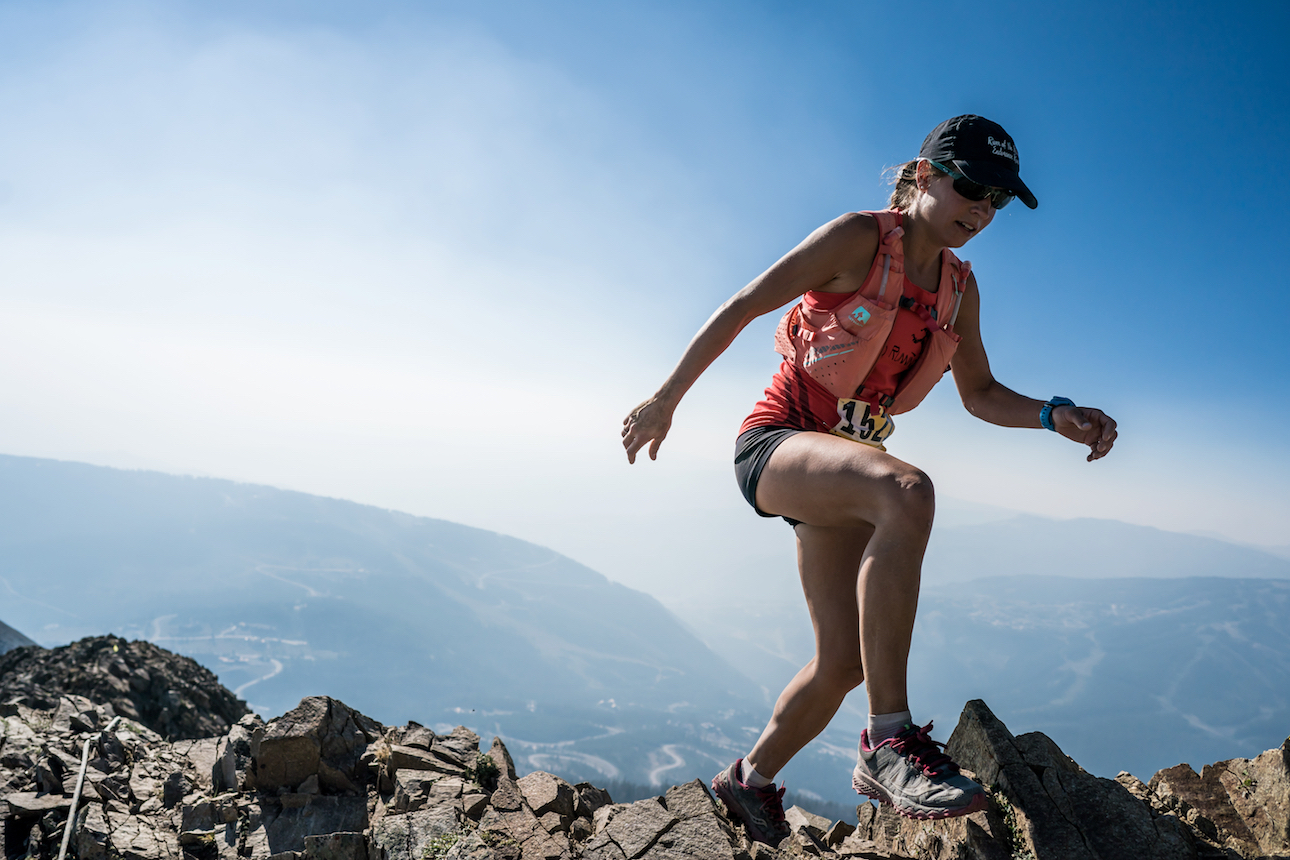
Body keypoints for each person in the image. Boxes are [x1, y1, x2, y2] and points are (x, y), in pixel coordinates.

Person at [621, 115, 1117, 844]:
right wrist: (666, 398)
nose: (981, 211)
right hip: (777, 446)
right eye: (971, 188)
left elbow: (978, 393)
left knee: (843, 662)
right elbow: (746, 304)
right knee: (907, 490)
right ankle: (888, 741)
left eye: (997, 201)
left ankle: (746, 782)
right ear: (924, 177)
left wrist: (1053, 414)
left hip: (841, 475)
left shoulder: (958, 288)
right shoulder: (860, 238)